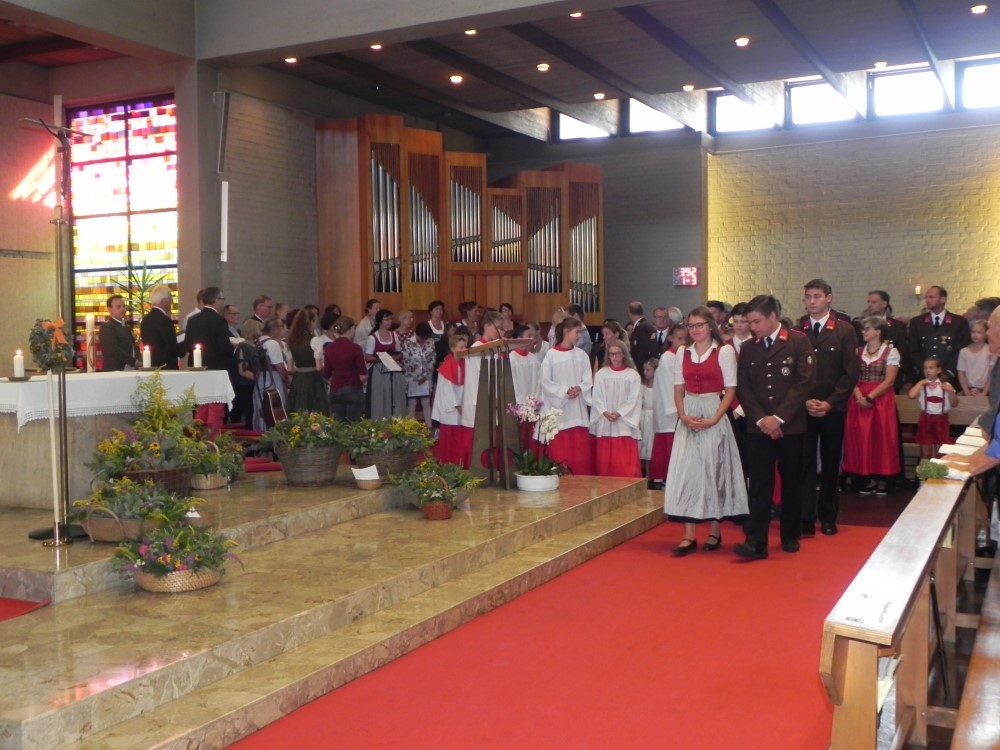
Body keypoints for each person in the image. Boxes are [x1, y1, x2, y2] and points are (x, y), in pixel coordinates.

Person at [734, 294, 815, 561]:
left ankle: (789, 534)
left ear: (772, 317)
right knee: (759, 483)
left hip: (790, 427)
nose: (751, 327)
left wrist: (778, 418)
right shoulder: (749, 347)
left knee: (791, 481)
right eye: (749, 322)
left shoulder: (797, 341)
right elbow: (744, 387)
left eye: (756, 321)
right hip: (758, 428)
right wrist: (762, 419)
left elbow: (803, 383)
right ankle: (756, 541)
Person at [664, 307, 748, 555]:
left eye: (699, 325)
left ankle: (714, 530)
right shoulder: (683, 352)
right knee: (688, 472)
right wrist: (682, 415)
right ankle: (689, 535)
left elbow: (731, 389)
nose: (695, 330)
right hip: (689, 410)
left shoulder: (723, 351)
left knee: (713, 469)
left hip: (714, 409)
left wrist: (714, 418)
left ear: (710, 325)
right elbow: (678, 388)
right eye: (691, 326)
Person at [797, 278, 860, 537]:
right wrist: (804, 400)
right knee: (804, 463)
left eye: (817, 296)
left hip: (833, 407)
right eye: (808, 297)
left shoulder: (844, 330)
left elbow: (850, 373)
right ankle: (805, 516)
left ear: (828, 298)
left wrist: (830, 402)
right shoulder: (798, 330)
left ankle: (828, 515)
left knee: (831, 463)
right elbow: (795, 371)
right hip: (804, 407)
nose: (812, 302)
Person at [842, 317, 901, 495]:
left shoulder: (890, 351)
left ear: (878, 331)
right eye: (863, 329)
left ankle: (882, 478)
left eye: (867, 328)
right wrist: (859, 395)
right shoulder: (858, 351)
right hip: (858, 397)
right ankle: (864, 478)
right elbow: (850, 376)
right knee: (860, 437)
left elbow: (889, 381)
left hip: (880, 399)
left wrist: (870, 397)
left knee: (881, 437)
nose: (864, 332)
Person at [539, 317, 594, 475]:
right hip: (559, 410)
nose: (579, 336)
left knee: (579, 451)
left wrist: (580, 388)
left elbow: (588, 379)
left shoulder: (582, 355)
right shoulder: (551, 355)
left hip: (577, 410)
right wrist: (565, 391)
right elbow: (545, 381)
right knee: (561, 451)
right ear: (566, 331)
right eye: (577, 332)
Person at [184, 286, 234, 434]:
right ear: (215, 300)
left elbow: (188, 345)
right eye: (222, 299)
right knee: (215, 408)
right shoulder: (219, 320)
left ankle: (199, 436)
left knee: (201, 406)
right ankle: (213, 438)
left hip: (198, 370)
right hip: (216, 370)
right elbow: (224, 348)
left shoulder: (193, 320)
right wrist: (232, 347)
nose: (223, 302)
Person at [590, 340, 642, 478]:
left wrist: (619, 413)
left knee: (624, 464)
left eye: (617, 354)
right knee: (605, 464)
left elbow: (634, 399)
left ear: (624, 354)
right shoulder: (601, 374)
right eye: (611, 354)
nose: (614, 357)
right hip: (605, 420)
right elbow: (596, 396)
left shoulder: (632, 375)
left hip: (624, 422)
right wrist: (604, 412)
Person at [648, 324, 687, 489]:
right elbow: (666, 386)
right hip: (670, 410)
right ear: (671, 338)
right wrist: (677, 409)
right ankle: (663, 478)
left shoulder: (681, 356)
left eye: (685, 338)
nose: (683, 342)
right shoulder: (668, 358)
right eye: (679, 338)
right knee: (667, 445)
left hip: (677, 407)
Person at [908, 285, 971, 385]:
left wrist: (948, 373)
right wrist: (926, 371)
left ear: (942, 299)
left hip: (950, 377)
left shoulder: (959, 322)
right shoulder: (917, 322)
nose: (927, 300)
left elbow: (961, 350)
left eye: (931, 297)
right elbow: (914, 350)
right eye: (926, 297)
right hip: (924, 377)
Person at [908, 356, 957, 459]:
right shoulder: (921, 385)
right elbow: (911, 395)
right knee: (925, 452)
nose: (928, 371)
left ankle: (939, 468)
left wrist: (951, 392)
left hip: (941, 420)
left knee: (941, 451)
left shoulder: (946, 385)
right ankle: (925, 468)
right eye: (925, 368)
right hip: (925, 419)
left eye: (931, 368)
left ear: (938, 370)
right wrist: (920, 382)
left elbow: (954, 404)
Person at [431, 333, 468, 465]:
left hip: (463, 406)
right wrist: (457, 405)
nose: (464, 350)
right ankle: (448, 462)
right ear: (453, 349)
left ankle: (459, 461)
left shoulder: (466, 364)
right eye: (461, 347)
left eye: (465, 347)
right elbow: (447, 391)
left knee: (460, 437)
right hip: (450, 408)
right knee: (450, 437)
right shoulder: (447, 366)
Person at [321, 316, 367, 422]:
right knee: (353, 425)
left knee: (338, 426)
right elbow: (363, 375)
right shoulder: (355, 348)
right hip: (353, 390)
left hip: (335, 390)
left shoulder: (329, 348)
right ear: (350, 329)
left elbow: (326, 374)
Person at [364, 309, 407, 419]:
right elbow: (367, 357)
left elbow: (400, 353)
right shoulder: (372, 338)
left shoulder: (394, 335)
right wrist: (381, 359)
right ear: (380, 321)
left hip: (393, 370)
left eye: (390, 319)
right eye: (386, 319)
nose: (389, 321)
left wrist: (395, 357)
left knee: (394, 396)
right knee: (379, 397)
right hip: (379, 372)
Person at [285, 308, 329, 415]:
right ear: (311, 322)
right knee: (315, 411)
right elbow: (318, 367)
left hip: (298, 380)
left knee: (298, 411)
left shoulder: (291, 340)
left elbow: (290, 369)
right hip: (313, 380)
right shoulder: (314, 340)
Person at [403, 322, 435, 429]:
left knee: (426, 402)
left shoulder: (430, 342)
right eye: (422, 338)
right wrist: (418, 377)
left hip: (426, 377)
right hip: (412, 378)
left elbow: (432, 360)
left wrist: (425, 376)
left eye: (426, 338)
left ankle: (429, 427)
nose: (423, 340)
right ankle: (409, 429)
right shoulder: (408, 343)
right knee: (412, 402)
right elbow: (406, 362)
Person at [232, 319, 263, 428]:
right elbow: (242, 370)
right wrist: (257, 378)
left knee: (252, 410)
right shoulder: (243, 346)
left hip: (252, 383)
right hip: (244, 385)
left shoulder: (255, 346)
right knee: (246, 409)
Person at [140, 285, 180, 370]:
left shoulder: (145, 319)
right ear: (163, 301)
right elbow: (171, 347)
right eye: (170, 299)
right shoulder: (165, 320)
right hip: (167, 366)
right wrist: (183, 346)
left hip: (151, 365)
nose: (171, 302)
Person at [98, 294, 138, 371]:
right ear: (109, 309)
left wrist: (138, 359)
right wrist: (134, 362)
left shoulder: (125, 326)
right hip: (115, 370)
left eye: (124, 306)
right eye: (118, 307)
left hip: (129, 368)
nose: (123, 309)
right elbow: (112, 350)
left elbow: (133, 346)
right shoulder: (107, 327)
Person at [958, 319, 994, 397]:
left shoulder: (990, 351)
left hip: (985, 391)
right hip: (968, 390)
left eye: (979, 332)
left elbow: (991, 374)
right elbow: (961, 373)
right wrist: (966, 392)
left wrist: (984, 393)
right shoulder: (964, 351)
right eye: (973, 332)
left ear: (986, 333)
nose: (975, 335)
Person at [627, 301, 658, 369]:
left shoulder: (641, 328)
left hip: (641, 367)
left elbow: (642, 351)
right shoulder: (647, 325)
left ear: (629, 313)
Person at [639, 357, 656, 476]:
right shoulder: (642, 386)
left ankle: (651, 474)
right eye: (644, 370)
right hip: (643, 417)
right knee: (643, 444)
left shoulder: (659, 387)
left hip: (653, 418)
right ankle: (644, 472)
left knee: (651, 445)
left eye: (648, 370)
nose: (645, 372)